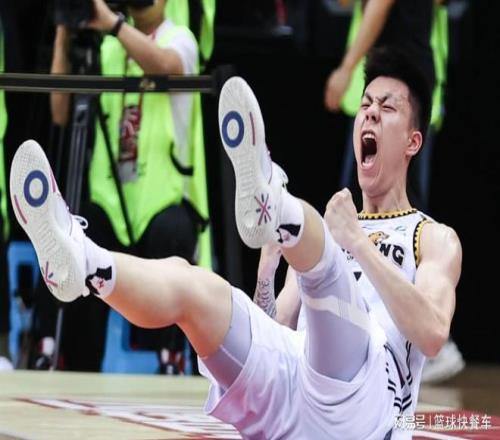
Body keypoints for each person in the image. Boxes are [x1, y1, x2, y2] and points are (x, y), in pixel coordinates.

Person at [10, 47, 462, 438]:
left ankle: (277, 201)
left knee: (323, 256)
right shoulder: (337, 228)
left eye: (387, 108)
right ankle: (87, 261)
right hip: (294, 397)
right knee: (192, 286)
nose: (370, 113)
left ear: (412, 142)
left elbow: (432, 334)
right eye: (365, 104)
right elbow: (276, 329)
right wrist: (266, 276)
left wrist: (358, 244)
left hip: (367, 409)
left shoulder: (432, 237)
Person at [39, 0, 211, 372]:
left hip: (162, 201)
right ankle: (74, 366)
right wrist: (64, 30)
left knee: (172, 232)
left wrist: (112, 24)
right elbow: (59, 112)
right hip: (110, 203)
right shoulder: (107, 49)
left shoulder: (180, 39)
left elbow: (164, 66)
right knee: (73, 237)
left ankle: (170, 360)